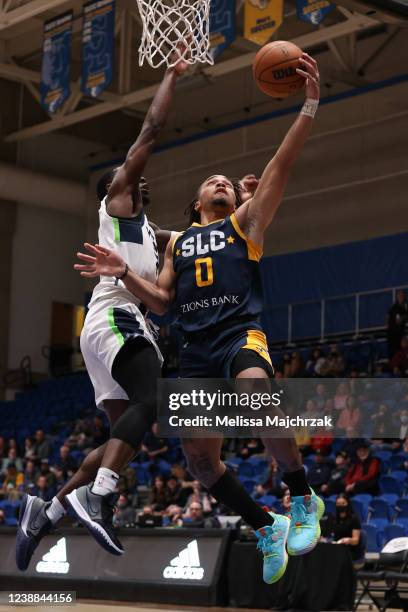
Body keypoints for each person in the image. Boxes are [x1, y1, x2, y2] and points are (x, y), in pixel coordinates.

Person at [76, 54, 324, 584]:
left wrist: (308, 105)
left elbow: (281, 164)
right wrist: (122, 272)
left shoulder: (246, 223)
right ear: (194, 202)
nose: (220, 182)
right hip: (193, 351)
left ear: (236, 198)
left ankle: (302, 496)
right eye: (210, 181)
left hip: (237, 334)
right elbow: (161, 301)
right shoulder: (179, 244)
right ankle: (265, 528)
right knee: (201, 462)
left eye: (226, 182)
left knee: (257, 396)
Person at [15, 50, 189, 572]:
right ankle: (99, 497)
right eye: (129, 174)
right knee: (153, 397)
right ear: (114, 187)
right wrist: (171, 76)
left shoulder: (146, 236)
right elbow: (151, 132)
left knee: (126, 436)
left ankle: (46, 511)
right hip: (115, 321)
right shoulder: (117, 202)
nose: (138, 179)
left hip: (111, 328)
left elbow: (168, 285)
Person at [321, 493, 364, 561]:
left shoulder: (354, 519)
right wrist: (324, 539)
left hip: (350, 550)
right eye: (338, 504)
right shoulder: (333, 518)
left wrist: (348, 540)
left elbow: (356, 540)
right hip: (337, 548)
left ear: (348, 504)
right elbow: (329, 536)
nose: (340, 506)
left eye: (343, 503)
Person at [387, 290, 408, 358]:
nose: (400, 296)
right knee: (393, 352)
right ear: (397, 296)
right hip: (393, 333)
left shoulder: (405, 306)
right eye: (399, 295)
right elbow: (389, 316)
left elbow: (400, 320)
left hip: (400, 333)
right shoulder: (394, 307)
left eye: (402, 295)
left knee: (401, 351)